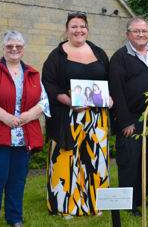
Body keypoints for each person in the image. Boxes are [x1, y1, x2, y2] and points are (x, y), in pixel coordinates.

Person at [0, 31, 50, 227]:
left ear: (24, 49)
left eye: (18, 46)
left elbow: (44, 102)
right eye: (9, 46)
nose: (14, 49)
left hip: (23, 136)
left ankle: (15, 218)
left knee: (17, 179)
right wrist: (6, 118)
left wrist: (26, 117)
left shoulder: (32, 74)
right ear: (3, 48)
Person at [42, 12, 111, 219]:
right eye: (74, 26)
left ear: (87, 29)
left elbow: (110, 80)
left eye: (82, 26)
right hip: (67, 114)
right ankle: (65, 206)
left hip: (97, 116)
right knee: (66, 158)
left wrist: (111, 98)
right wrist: (70, 101)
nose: (78, 30)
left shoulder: (98, 52)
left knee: (95, 159)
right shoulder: (57, 55)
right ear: (66, 29)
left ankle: (96, 204)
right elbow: (49, 85)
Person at [109, 17, 148, 217]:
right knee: (130, 162)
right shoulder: (120, 57)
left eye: (144, 31)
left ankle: (140, 199)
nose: (141, 34)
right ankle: (128, 204)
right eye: (136, 31)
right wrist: (125, 121)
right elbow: (116, 91)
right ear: (128, 34)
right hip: (131, 119)